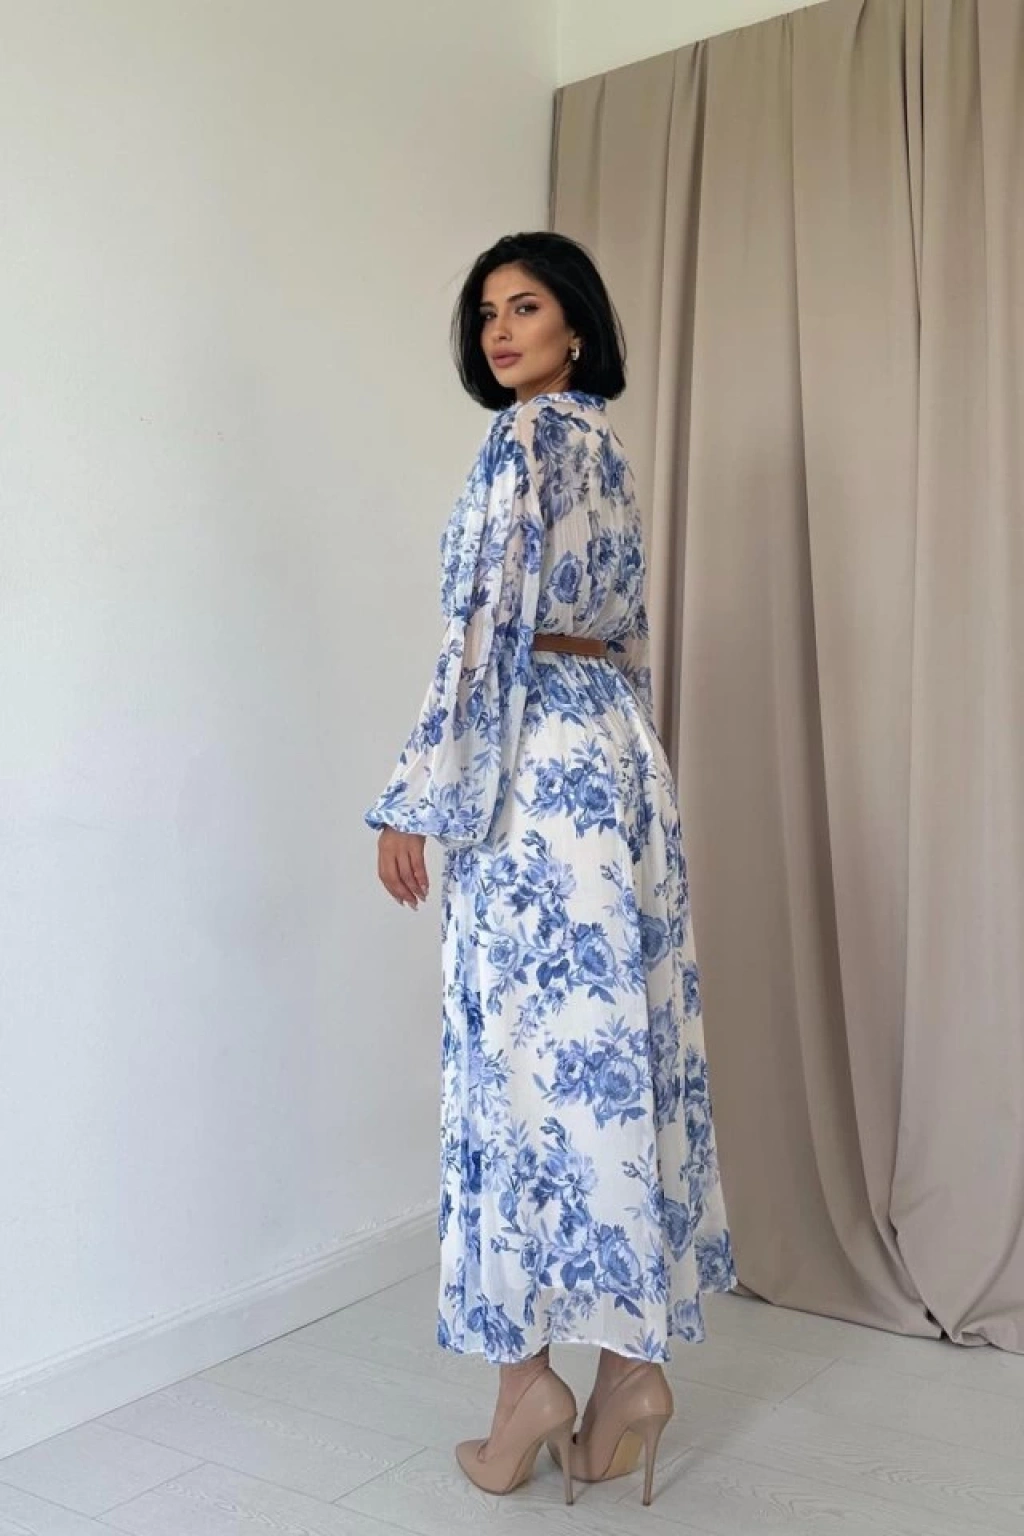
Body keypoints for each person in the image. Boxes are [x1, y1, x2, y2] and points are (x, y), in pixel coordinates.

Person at [365, 231, 736, 1506]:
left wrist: (415, 795)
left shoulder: (522, 441)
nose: (500, 330)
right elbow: (621, 634)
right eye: (487, 314)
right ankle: (629, 1371)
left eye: (525, 307)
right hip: (617, 762)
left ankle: (524, 1383)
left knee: (516, 1068)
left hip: (529, 770)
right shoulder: (606, 449)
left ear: (576, 324)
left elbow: (482, 627)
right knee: (616, 1051)